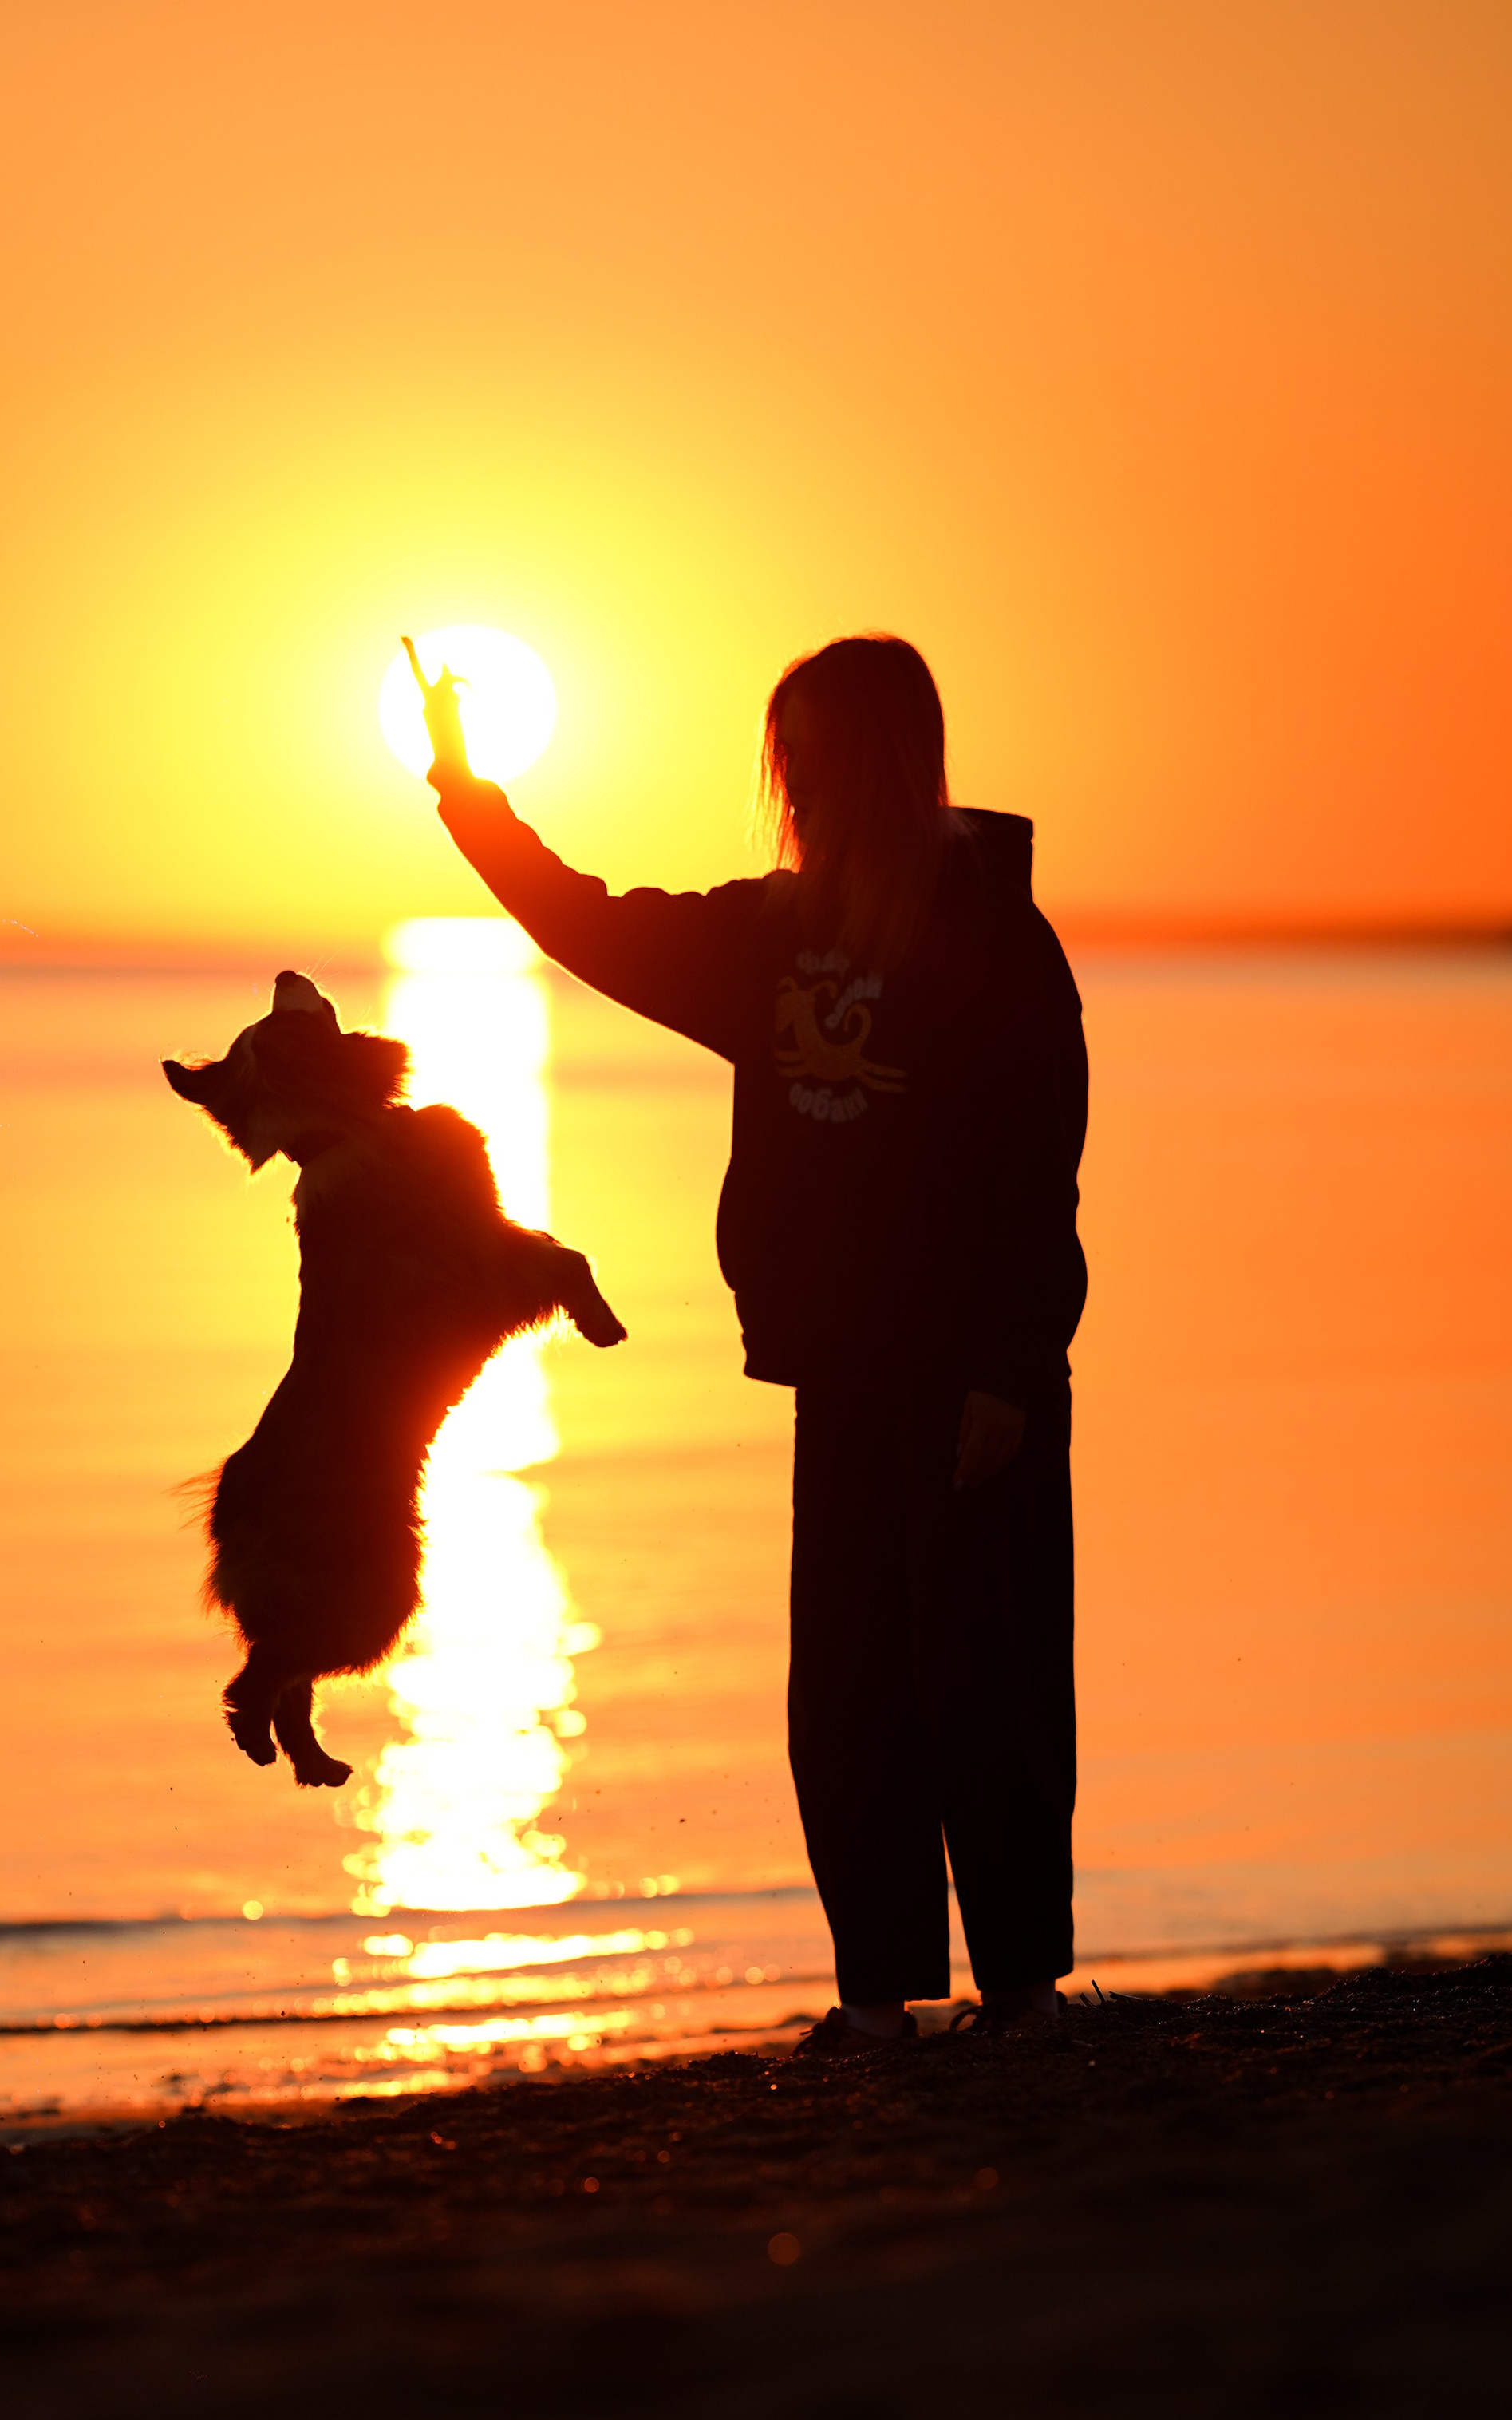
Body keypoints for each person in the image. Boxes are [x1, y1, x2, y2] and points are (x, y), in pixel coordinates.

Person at [407, 632, 1088, 2046]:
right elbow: (584, 918)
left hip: (975, 1383)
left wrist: (1012, 1369)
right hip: (837, 1367)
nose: (805, 784)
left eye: (827, 754)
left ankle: (1024, 1983)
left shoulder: (992, 939)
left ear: (889, 760)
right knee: (850, 1696)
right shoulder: (767, 938)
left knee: (987, 1680)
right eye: (794, 758)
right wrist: (467, 791)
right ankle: (880, 1993)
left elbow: (1040, 1170)